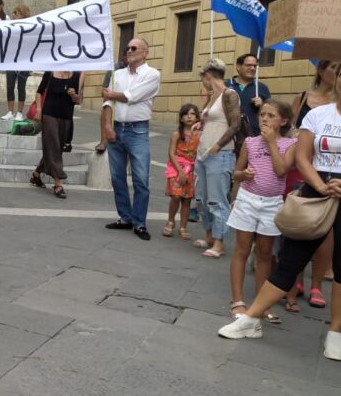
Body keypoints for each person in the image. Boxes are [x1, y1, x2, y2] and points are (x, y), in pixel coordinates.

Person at [219, 54, 341, 362]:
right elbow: (302, 156)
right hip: (317, 188)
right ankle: (252, 318)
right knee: (291, 258)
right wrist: (318, 185)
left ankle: (336, 333)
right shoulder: (318, 115)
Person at [225, 101, 297, 321]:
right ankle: (237, 300)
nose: (264, 118)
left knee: (265, 253)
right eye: (262, 114)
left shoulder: (290, 144)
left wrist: (272, 143)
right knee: (242, 249)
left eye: (271, 115)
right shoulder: (250, 142)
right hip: (248, 199)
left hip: (272, 203)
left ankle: (261, 303)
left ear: (283, 121)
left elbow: (281, 169)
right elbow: (235, 173)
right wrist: (243, 175)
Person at [284, 59, 338, 309]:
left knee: (326, 231)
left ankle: (316, 284)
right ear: (321, 70)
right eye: (334, 68)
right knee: (299, 223)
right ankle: (296, 280)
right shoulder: (303, 97)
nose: (339, 74)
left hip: (329, 169)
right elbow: (291, 128)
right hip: (301, 167)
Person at [103, 38, 161, 240]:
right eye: (127, 48)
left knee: (141, 179)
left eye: (134, 48)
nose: (129, 50)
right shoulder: (117, 74)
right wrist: (108, 126)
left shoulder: (152, 74)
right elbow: (108, 102)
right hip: (117, 128)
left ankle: (139, 222)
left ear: (145, 53)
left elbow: (132, 96)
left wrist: (112, 93)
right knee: (117, 178)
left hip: (138, 131)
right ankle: (125, 217)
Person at [191, 58, 241, 257]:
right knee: (201, 198)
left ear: (208, 76)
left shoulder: (230, 94)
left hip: (220, 153)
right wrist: (200, 125)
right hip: (203, 153)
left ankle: (219, 243)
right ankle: (209, 234)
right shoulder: (212, 96)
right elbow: (215, 120)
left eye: (202, 77)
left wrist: (218, 145)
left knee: (217, 199)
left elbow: (235, 124)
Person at [29, 70, 80, 198]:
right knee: (53, 146)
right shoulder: (50, 73)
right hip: (49, 114)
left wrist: (74, 95)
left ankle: (36, 174)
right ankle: (58, 183)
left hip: (66, 116)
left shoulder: (76, 75)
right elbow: (39, 92)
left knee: (56, 149)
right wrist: (39, 110)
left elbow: (79, 100)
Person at [163, 103, 200, 239]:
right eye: (186, 114)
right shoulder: (177, 134)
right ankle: (171, 221)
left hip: (191, 168)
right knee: (176, 195)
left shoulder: (199, 135)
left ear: (197, 117)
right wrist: (180, 171)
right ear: (181, 118)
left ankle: (183, 227)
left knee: (187, 199)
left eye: (192, 114)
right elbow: (171, 153)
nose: (189, 117)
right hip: (176, 167)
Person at [1, 4, 32, 121]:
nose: (13, 15)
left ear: (22, 15)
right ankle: (10, 111)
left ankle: (19, 112)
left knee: (21, 87)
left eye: (16, 13)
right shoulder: (11, 27)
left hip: (23, 62)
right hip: (11, 61)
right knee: (10, 86)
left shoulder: (29, 29)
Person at [228, 53, 269, 138]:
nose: (252, 68)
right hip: (229, 137)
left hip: (255, 137)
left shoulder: (262, 88)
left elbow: (271, 113)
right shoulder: (226, 86)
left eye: (255, 66)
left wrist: (262, 105)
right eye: (248, 65)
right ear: (238, 67)